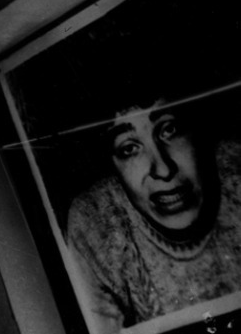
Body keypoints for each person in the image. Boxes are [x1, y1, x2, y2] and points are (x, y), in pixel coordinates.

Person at [65, 97, 241, 332]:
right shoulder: (95, 223)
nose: (164, 170)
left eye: (169, 129)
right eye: (129, 148)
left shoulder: (236, 171)